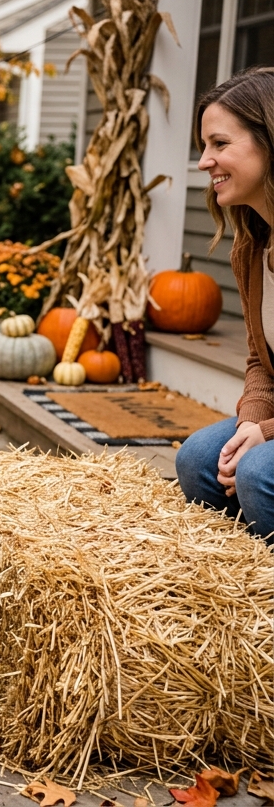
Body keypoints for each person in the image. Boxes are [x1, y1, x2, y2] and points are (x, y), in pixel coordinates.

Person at [177, 66, 274, 544]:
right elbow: (261, 361)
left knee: (256, 474)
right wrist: (252, 421)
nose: (203, 162)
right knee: (199, 460)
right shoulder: (251, 245)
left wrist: (267, 434)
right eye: (203, 146)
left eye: (219, 143)